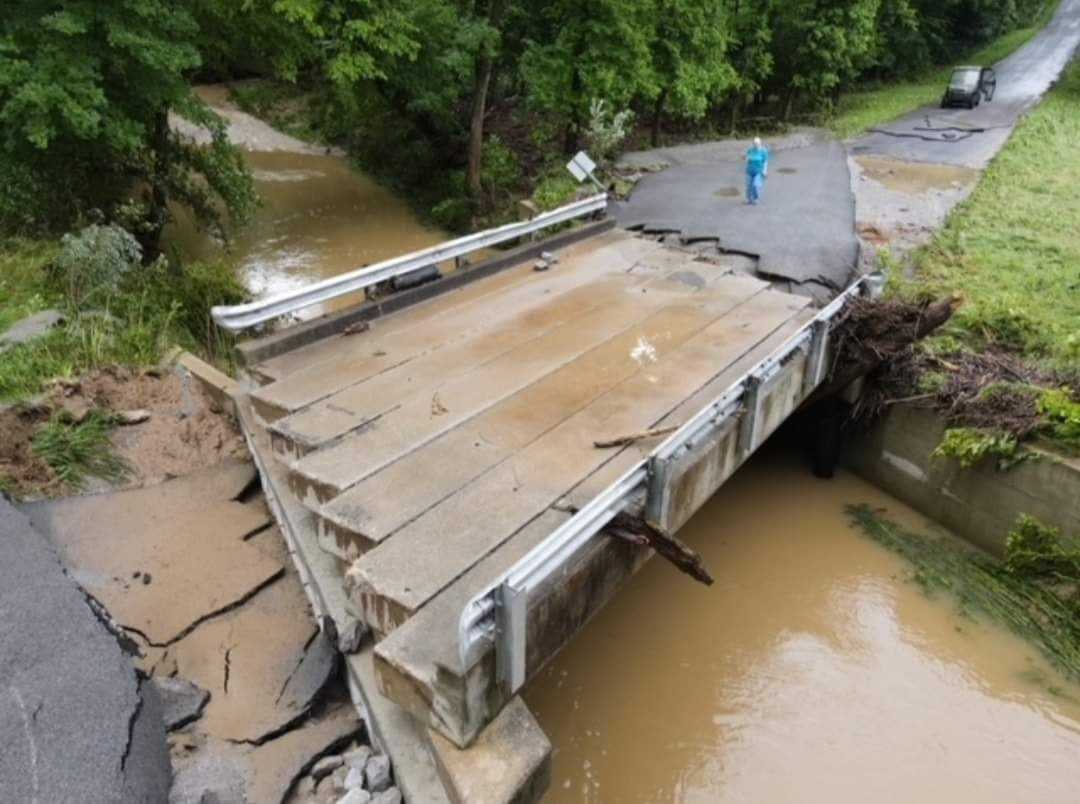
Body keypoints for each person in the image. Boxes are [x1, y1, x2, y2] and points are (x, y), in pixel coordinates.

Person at [745, 136, 769, 205]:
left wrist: (764, 171)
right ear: (753, 143)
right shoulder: (750, 150)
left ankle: (755, 198)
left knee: (755, 185)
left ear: (760, 143)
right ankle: (749, 199)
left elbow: (765, 162)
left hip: (758, 171)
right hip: (749, 171)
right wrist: (747, 159)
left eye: (757, 143)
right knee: (748, 185)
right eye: (755, 143)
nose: (756, 145)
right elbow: (747, 159)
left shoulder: (763, 151)